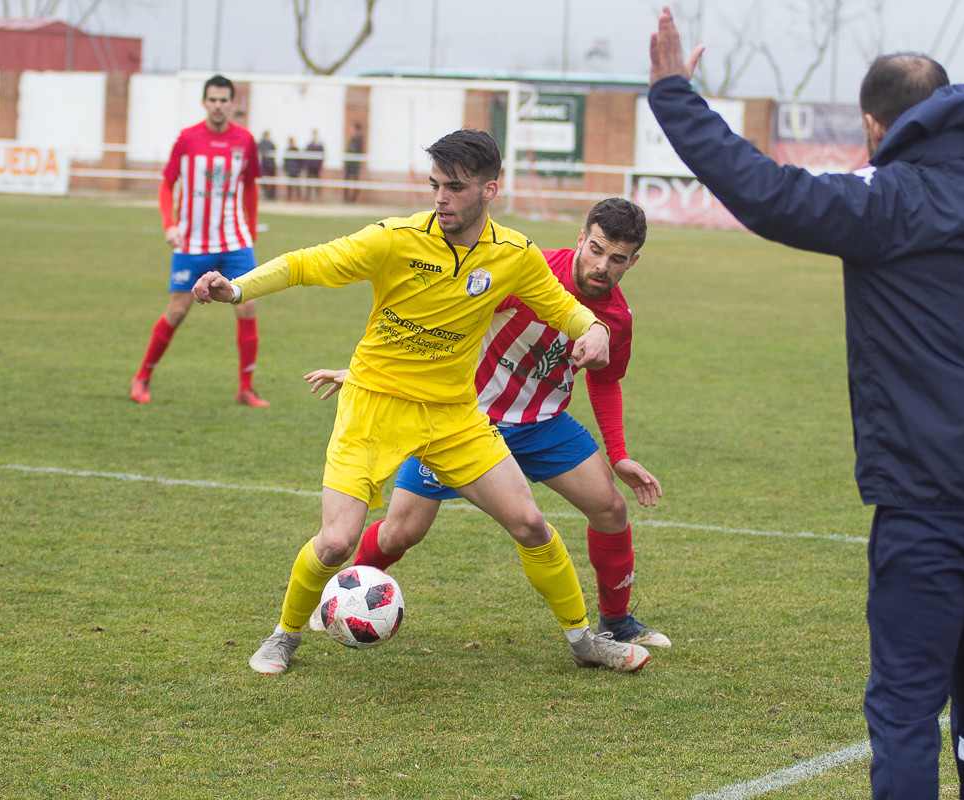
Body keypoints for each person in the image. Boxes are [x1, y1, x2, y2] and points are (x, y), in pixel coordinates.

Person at [647, 8, 964, 800]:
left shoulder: (883, 204)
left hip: (927, 504)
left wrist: (675, 93)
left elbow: (762, 189)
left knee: (906, 714)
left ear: (876, 126)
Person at [191, 129, 651, 677]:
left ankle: (585, 642)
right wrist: (238, 288)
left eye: (454, 187)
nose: (440, 198)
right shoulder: (395, 239)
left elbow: (563, 307)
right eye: (435, 185)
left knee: (530, 524)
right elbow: (307, 263)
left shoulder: (514, 255)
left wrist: (593, 329)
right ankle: (283, 635)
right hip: (373, 408)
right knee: (338, 542)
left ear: (489, 190)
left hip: (454, 416)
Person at [305, 197, 670, 649]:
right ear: (581, 239)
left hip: (543, 424)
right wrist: (366, 375)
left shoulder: (616, 317)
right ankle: (342, 595)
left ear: (632, 262)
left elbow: (606, 381)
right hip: (463, 421)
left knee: (611, 509)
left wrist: (619, 456)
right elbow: (438, 316)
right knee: (402, 531)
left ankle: (616, 621)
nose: (602, 265)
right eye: (596, 249)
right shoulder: (529, 273)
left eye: (617, 259)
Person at [130, 74, 268, 408]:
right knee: (177, 310)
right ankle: (142, 377)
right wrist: (170, 224)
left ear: (232, 103)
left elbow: (250, 186)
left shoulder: (245, 140)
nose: (218, 106)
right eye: (213, 100)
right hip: (191, 242)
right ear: (204, 102)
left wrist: (248, 228)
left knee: (248, 305)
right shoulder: (186, 139)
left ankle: (245, 388)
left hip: (234, 239)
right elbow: (166, 184)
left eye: (224, 100)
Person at [343, 121, 365, 203]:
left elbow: (358, 152)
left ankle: (353, 198)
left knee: (355, 180)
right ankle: (346, 198)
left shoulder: (358, 140)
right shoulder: (350, 140)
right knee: (346, 180)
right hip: (349, 164)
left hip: (355, 164)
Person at [304, 128, 324, 202]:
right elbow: (306, 155)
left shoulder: (320, 145)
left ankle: (317, 197)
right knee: (309, 182)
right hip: (310, 166)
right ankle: (308, 197)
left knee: (317, 183)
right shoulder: (309, 145)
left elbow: (322, 155)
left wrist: (320, 164)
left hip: (317, 167)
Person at [257, 130, 277, 200]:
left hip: (271, 165)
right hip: (264, 165)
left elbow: (274, 151)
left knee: (272, 181)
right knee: (263, 180)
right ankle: (266, 193)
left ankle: (271, 195)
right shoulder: (261, 144)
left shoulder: (271, 144)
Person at [283, 136, 303, 201]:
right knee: (289, 185)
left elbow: (300, 160)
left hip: (296, 170)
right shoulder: (287, 150)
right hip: (290, 170)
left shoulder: (297, 150)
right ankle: (289, 197)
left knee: (297, 185)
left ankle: (299, 197)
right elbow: (285, 160)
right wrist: (286, 169)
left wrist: (299, 169)